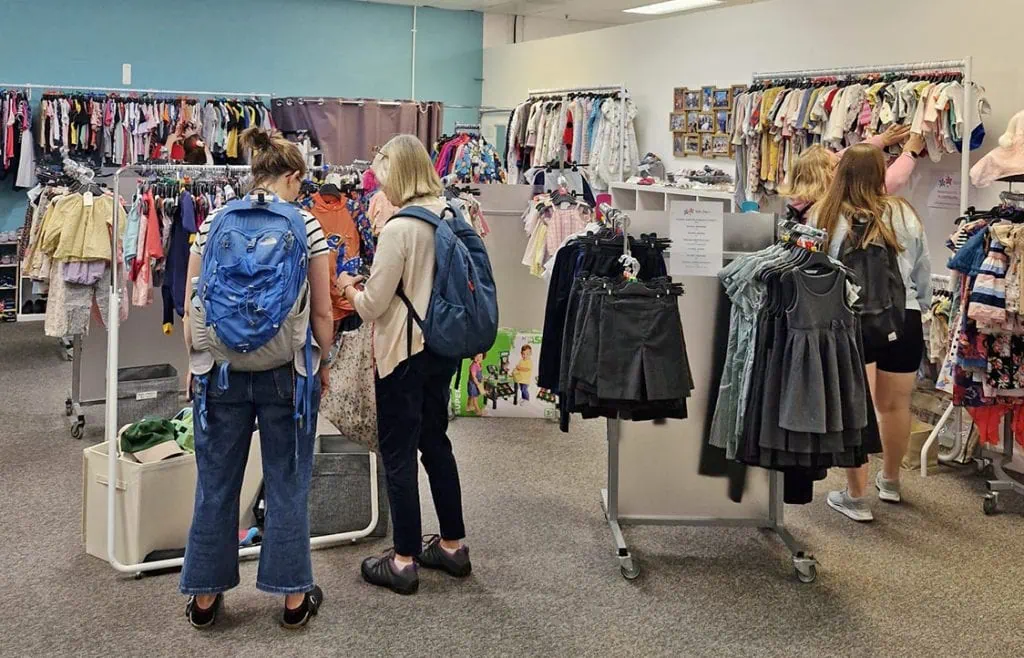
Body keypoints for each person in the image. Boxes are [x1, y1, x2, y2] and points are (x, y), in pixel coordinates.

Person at [180, 127, 334, 627]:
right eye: (300, 182)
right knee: (288, 483)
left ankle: (205, 600)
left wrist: (193, 361)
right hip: (286, 372)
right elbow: (323, 311)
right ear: (290, 176)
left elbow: (192, 301)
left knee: (216, 484)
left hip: (220, 371)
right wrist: (322, 364)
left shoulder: (215, 220)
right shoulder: (306, 225)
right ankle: (293, 600)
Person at [337, 134, 471, 595]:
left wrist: (348, 287)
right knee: (436, 443)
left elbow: (373, 305)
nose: (381, 187)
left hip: (402, 352)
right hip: (442, 347)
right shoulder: (451, 214)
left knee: (398, 454)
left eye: (383, 177)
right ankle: (453, 546)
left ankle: (403, 559)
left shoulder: (400, 228)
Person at [809, 144, 931, 523]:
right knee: (896, 405)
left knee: (855, 406)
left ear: (841, 172)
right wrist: (922, 307)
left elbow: (814, 272)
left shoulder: (826, 213)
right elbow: (922, 271)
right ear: (880, 174)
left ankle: (856, 496)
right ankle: (890, 481)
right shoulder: (903, 213)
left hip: (850, 321)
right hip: (903, 318)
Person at [781, 124, 924, 222]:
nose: (843, 162)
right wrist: (910, 153)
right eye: (838, 162)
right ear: (827, 175)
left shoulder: (802, 200)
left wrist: (882, 140)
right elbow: (887, 183)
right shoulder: (833, 207)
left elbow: (847, 154)